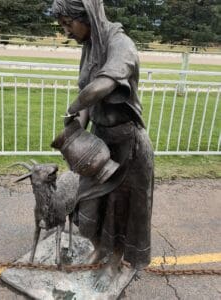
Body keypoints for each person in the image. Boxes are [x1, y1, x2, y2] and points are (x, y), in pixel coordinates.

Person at [52, 0, 154, 293]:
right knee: (93, 202)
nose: (66, 32)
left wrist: (73, 106)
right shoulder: (90, 46)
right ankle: (98, 249)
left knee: (121, 209)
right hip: (99, 142)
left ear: (87, 16)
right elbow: (89, 96)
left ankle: (116, 260)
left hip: (128, 146)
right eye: (62, 26)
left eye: (68, 24)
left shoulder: (121, 44)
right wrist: (75, 127)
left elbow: (101, 86)